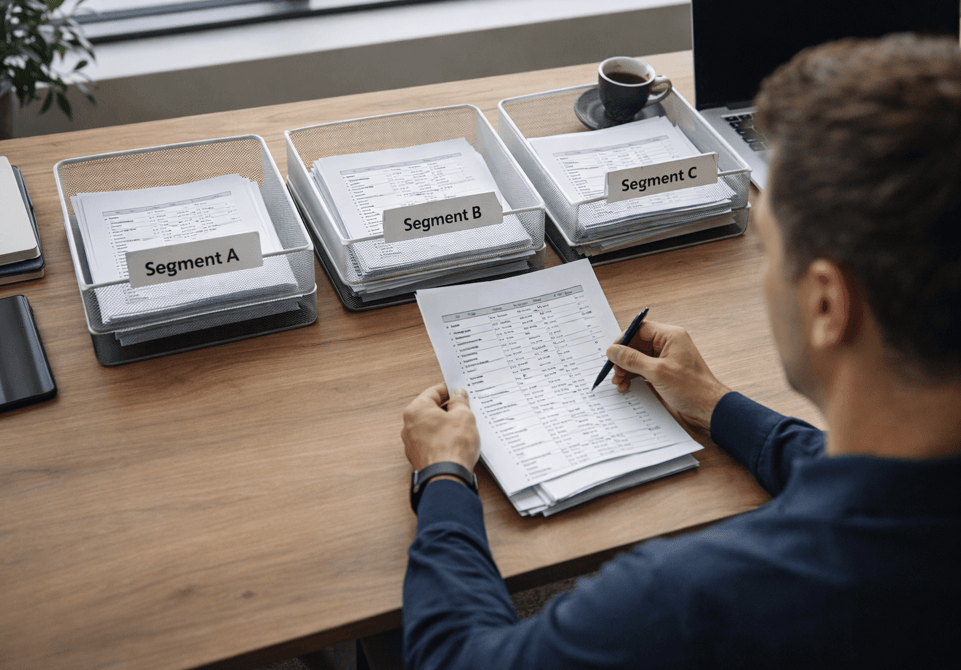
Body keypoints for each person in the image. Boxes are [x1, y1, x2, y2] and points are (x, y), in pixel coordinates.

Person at [399, 33, 961, 669]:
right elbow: (891, 494)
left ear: (827, 305)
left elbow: (455, 660)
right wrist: (717, 403)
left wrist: (442, 476)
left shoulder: (690, 600)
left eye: (767, 250)